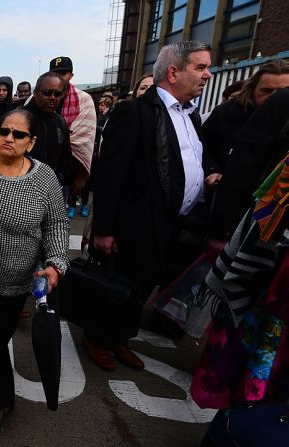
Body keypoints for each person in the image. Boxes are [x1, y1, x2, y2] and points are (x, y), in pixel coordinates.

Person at [90, 41, 213, 371]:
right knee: (118, 287)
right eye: (200, 67)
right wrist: (103, 230)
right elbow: (110, 174)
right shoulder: (135, 112)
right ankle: (97, 338)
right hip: (136, 224)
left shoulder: (190, 116)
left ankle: (119, 339)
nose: (208, 74)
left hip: (172, 225)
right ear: (173, 72)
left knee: (141, 289)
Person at [0, 108, 69, 430]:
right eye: (3, 131)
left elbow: (56, 223)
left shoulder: (44, 178)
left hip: (15, 283)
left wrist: (56, 264)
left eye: (18, 134)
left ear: (31, 142)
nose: (8, 138)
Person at [207, 86, 289, 250]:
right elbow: (242, 171)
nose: (270, 96)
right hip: (263, 228)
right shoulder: (281, 104)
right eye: (265, 90)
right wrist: (223, 232)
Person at [202, 60, 289, 185]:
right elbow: (200, 149)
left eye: (283, 92)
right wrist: (212, 171)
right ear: (252, 90)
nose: (274, 98)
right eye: (266, 91)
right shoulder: (226, 113)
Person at [49, 56, 96, 219]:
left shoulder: (84, 99)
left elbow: (86, 134)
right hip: (45, 161)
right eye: (55, 73)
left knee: (58, 214)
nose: (60, 78)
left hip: (71, 163)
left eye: (64, 73)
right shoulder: (41, 96)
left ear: (71, 75)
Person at [23, 72, 74, 191]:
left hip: (51, 189)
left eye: (57, 94)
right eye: (47, 93)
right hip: (22, 189)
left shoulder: (60, 123)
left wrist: (61, 178)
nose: (52, 97)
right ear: (35, 93)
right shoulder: (17, 119)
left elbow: (66, 158)